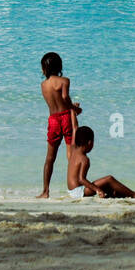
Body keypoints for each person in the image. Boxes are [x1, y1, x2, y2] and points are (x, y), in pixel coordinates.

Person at [66, 121, 135, 200]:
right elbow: (81, 179)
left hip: (71, 191)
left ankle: (115, 194)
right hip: (79, 192)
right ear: (90, 143)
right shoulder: (84, 159)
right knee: (109, 179)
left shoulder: (73, 150)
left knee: (107, 187)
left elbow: (74, 128)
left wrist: (73, 113)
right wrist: (97, 190)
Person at [37, 52, 82, 199]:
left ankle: (45, 191)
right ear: (60, 66)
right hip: (65, 117)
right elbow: (64, 98)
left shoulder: (43, 85)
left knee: (50, 157)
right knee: (71, 153)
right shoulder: (64, 81)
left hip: (53, 120)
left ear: (44, 68)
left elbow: (55, 102)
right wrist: (74, 109)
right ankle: (74, 185)